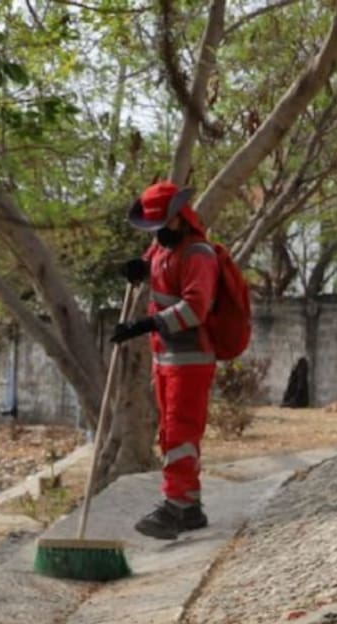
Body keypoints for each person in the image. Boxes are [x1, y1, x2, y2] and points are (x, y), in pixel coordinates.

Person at [112, 180, 217, 541]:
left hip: (190, 359)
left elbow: (196, 308)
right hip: (166, 357)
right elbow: (151, 265)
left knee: (180, 433)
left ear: (179, 219)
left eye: (162, 226)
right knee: (169, 433)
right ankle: (189, 507)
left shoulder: (198, 254)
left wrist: (147, 323)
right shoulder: (161, 247)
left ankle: (176, 506)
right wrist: (137, 269)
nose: (157, 233)